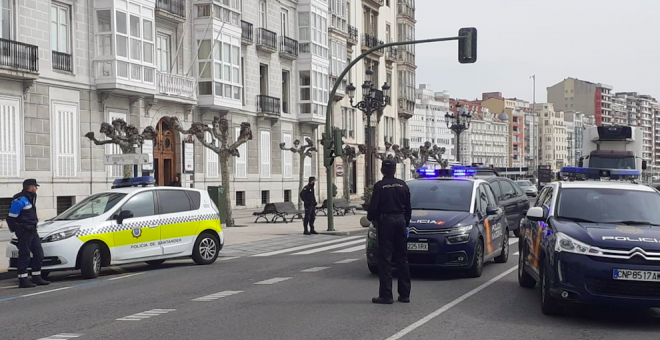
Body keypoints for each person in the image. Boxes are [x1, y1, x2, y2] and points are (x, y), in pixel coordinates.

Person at [367, 160, 412, 304]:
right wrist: (406, 221)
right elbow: (408, 206)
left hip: (386, 222)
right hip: (400, 221)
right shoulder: (403, 185)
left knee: (385, 259)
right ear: (394, 170)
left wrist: (372, 219)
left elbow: (373, 208)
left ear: (382, 170)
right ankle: (405, 294)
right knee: (402, 258)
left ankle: (386, 295)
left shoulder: (380, 186)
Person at [6, 179, 49, 288]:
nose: (36, 189)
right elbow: (11, 218)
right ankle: (23, 279)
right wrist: (18, 230)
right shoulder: (19, 200)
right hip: (24, 231)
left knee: (39, 253)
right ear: (30, 187)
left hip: (32, 230)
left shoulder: (31, 198)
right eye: (35, 186)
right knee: (24, 254)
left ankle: (36, 276)